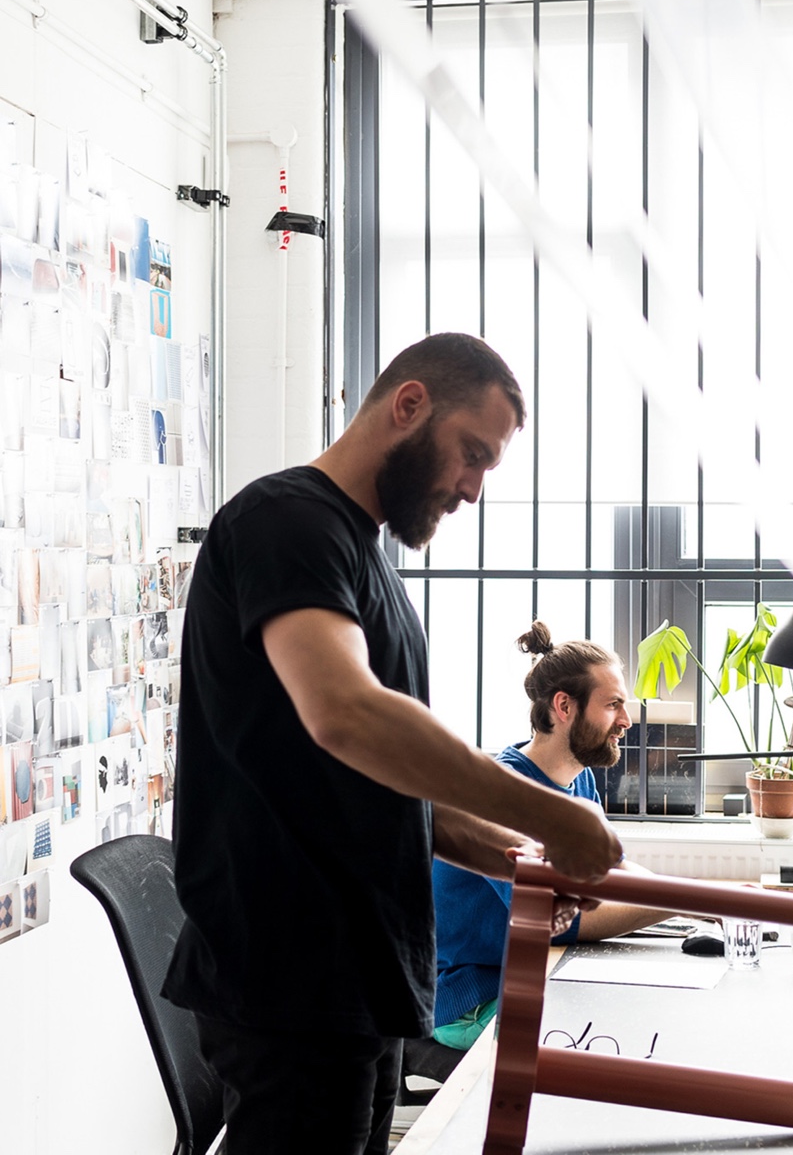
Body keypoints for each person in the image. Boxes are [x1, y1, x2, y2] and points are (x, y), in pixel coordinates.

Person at [161, 333, 623, 1155]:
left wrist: (514, 863)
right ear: (409, 406)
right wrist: (554, 817)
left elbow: (373, 781)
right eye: (471, 454)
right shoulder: (288, 522)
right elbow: (346, 713)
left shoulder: (364, 557)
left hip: (359, 982)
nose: (475, 490)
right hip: (289, 982)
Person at [432, 621, 677, 1050]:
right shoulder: (507, 791)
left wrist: (694, 902)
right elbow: (555, 923)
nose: (626, 720)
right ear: (564, 706)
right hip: (473, 997)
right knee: (604, 1041)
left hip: (529, 973)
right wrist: (674, 902)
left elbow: (615, 868)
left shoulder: (577, 781)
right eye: (613, 705)